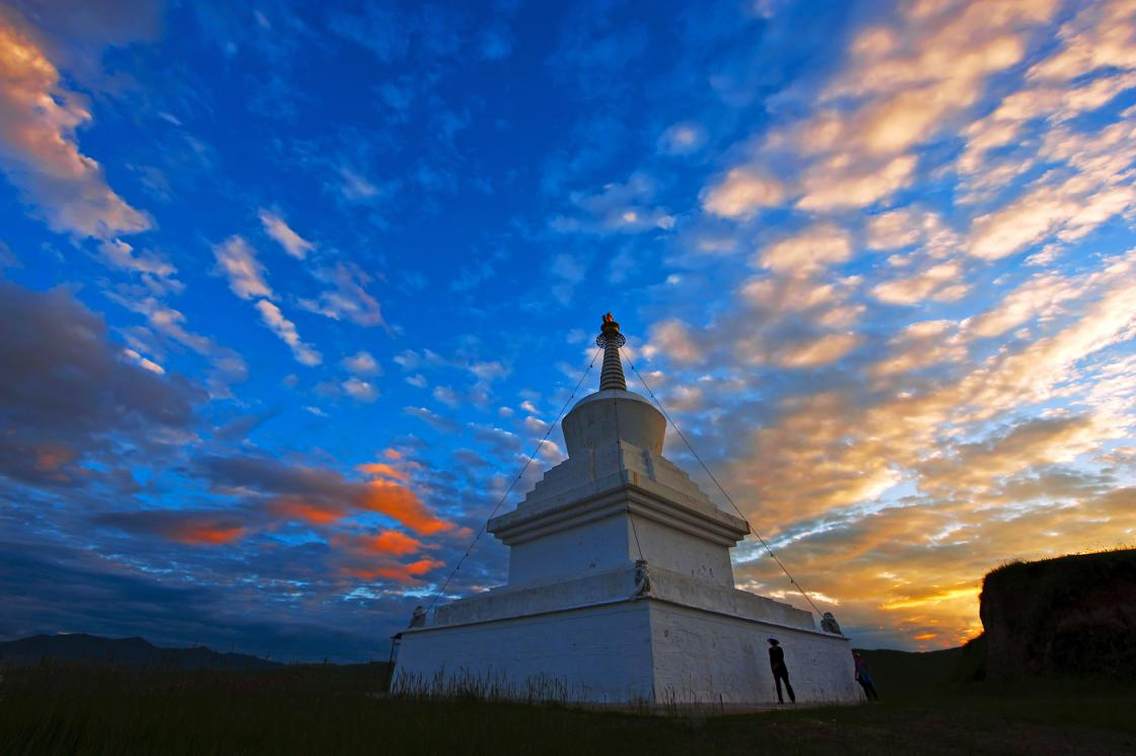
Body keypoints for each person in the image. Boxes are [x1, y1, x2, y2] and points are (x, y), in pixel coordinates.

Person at [767, 638, 795, 704]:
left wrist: (776, 665)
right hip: (775, 670)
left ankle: (792, 698)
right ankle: (780, 700)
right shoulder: (770, 650)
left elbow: (781, 658)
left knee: (787, 684)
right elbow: (771, 660)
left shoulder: (780, 649)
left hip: (782, 669)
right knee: (778, 685)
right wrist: (773, 669)